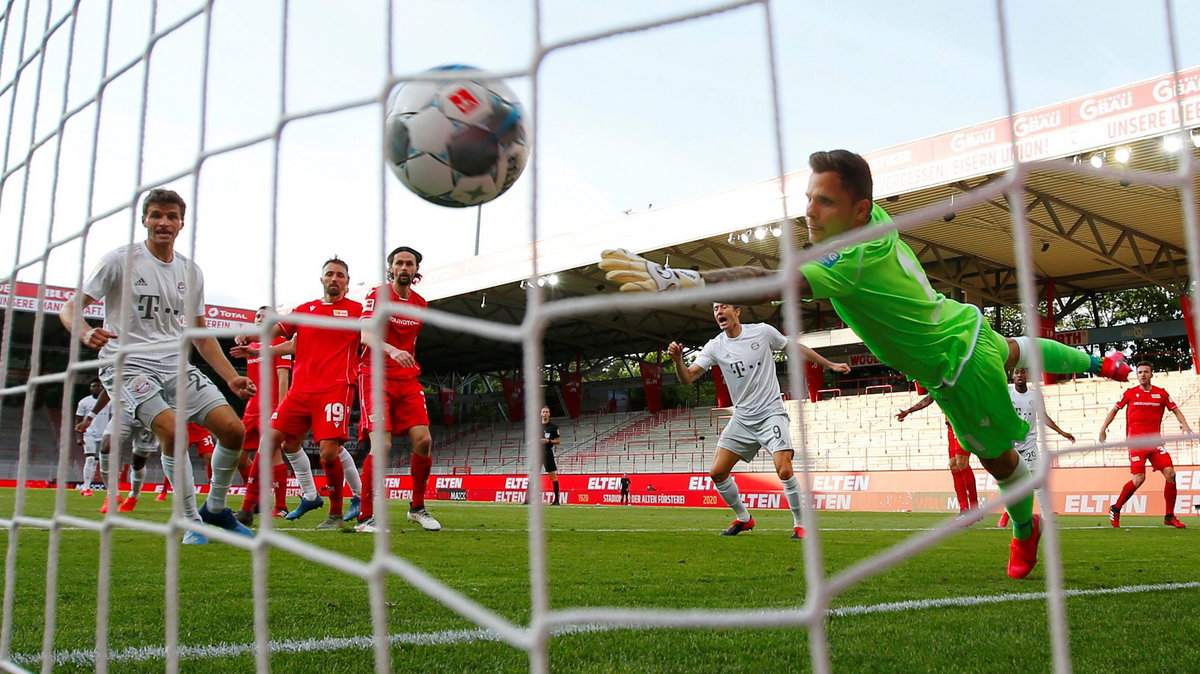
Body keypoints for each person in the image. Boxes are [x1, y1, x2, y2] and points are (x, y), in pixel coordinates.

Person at [600, 149, 1132, 578]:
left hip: (955, 367)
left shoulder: (846, 257)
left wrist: (687, 280)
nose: (810, 210)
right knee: (1011, 348)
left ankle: (1023, 528)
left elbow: (770, 283)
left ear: (857, 211)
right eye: (809, 198)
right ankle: (1096, 359)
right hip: (957, 324)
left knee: (996, 459)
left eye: (824, 202)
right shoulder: (872, 220)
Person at [58, 188, 255, 542]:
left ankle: (214, 509)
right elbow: (70, 308)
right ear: (144, 219)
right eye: (155, 215)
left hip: (173, 364)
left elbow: (200, 334)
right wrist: (87, 333)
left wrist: (230, 378)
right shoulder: (118, 261)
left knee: (233, 430)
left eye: (171, 216)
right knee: (173, 430)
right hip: (127, 364)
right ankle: (189, 519)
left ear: (182, 222)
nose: (163, 222)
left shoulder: (190, 271)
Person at [668, 303, 847, 539]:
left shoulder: (762, 331)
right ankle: (745, 519)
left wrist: (830, 364)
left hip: (770, 412)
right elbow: (688, 378)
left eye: (723, 307)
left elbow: (794, 348)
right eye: (714, 309)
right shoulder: (715, 346)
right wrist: (679, 360)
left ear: (737, 311)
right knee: (717, 473)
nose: (718, 312)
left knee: (784, 470)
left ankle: (801, 524)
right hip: (742, 417)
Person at [232, 259, 362, 531]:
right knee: (271, 439)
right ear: (322, 279)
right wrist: (252, 342)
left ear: (348, 282)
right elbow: (289, 341)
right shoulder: (305, 311)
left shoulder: (357, 312)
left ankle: (336, 513)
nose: (334, 279)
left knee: (328, 452)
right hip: (300, 390)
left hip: (335, 388)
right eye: (329, 274)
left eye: (340, 275)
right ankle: (246, 509)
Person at [353, 246, 440, 533]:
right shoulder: (376, 295)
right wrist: (391, 350)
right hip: (374, 375)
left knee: (424, 441)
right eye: (399, 263)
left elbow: (410, 341)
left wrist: (404, 359)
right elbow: (366, 336)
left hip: (406, 379)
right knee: (383, 444)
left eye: (409, 264)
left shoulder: (420, 304)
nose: (404, 268)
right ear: (391, 268)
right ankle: (365, 517)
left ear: (416, 270)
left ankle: (417, 508)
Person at [1099, 361, 1192, 529]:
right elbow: (1114, 410)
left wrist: (1185, 425)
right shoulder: (1130, 393)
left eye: (1146, 371)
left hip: (1155, 443)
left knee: (1171, 474)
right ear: (1137, 375)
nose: (1142, 374)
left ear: (1151, 374)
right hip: (1136, 443)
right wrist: (1103, 429)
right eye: (1140, 372)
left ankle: (1169, 516)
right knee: (1139, 478)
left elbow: (1176, 410)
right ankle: (1116, 507)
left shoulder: (1161, 394)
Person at [233, 305, 295, 523]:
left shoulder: (278, 344)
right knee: (238, 456)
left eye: (265, 316)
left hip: (270, 409)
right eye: (257, 316)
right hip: (251, 409)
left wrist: (280, 410)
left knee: (274, 454)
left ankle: (281, 506)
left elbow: (283, 379)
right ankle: (258, 499)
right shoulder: (250, 345)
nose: (259, 319)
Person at [997, 367, 1075, 527]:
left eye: (1022, 372)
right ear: (1013, 376)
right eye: (1017, 373)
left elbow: (1043, 416)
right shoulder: (1007, 394)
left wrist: (1061, 431)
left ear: (1027, 375)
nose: (1020, 375)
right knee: (1012, 483)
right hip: (1011, 445)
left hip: (1030, 444)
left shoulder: (1035, 395)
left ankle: (1047, 516)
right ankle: (1007, 512)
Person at [896, 396, 978, 517]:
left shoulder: (954, 380)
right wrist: (908, 411)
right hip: (951, 427)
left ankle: (974, 507)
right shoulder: (936, 384)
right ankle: (964, 509)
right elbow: (929, 398)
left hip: (963, 424)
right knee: (953, 465)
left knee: (961, 463)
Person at [73, 378, 108, 495]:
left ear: (102, 388)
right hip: (89, 434)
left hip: (104, 435)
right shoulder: (84, 402)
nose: (95, 388)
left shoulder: (109, 402)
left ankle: (106, 487)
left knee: (99, 462)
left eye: (98, 386)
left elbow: (113, 418)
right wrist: (79, 437)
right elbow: (78, 420)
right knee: (90, 459)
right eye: (93, 386)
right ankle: (86, 487)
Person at [531, 405, 562, 505]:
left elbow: (558, 441)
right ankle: (528, 499)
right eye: (543, 412)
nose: (544, 413)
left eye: (546, 412)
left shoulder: (553, 427)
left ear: (549, 414)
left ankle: (556, 500)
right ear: (540, 414)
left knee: (552, 475)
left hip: (547, 452)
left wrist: (548, 441)